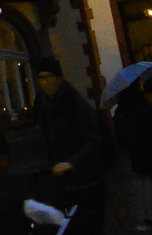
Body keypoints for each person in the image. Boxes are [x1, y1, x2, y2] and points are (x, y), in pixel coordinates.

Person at [32, 56, 105, 235]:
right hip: (61, 180)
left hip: (86, 178)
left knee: (87, 226)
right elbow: (45, 137)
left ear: (58, 78)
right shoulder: (41, 104)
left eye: (49, 76)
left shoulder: (75, 102)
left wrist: (73, 162)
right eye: (41, 77)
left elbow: (93, 140)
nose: (46, 82)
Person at [112, 80, 152, 231]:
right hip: (147, 146)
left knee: (145, 181)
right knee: (151, 181)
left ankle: (151, 214)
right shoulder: (139, 101)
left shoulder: (123, 104)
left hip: (135, 149)